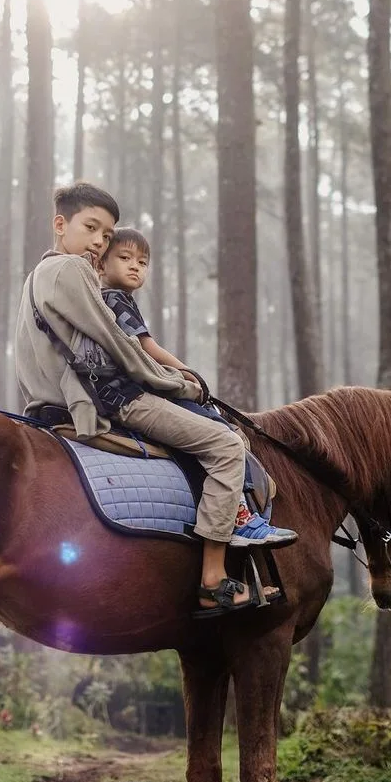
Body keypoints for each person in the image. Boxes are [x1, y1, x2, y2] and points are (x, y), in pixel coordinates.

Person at [14, 182, 295, 619]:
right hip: (112, 400)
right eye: (91, 228)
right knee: (224, 444)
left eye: (106, 235)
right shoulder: (71, 271)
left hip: (60, 403)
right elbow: (120, 347)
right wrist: (179, 383)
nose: (98, 242)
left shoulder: (37, 277)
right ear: (60, 224)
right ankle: (214, 580)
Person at [97, 226, 297, 547]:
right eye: (125, 258)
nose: (135, 266)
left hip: (127, 390)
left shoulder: (103, 300)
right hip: (136, 394)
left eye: (143, 262)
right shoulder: (116, 300)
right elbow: (147, 347)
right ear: (101, 265)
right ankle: (239, 514)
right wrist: (185, 371)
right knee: (222, 433)